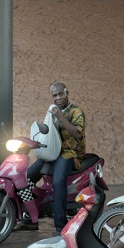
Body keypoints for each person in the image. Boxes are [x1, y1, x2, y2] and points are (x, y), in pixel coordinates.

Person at [24, 82, 86, 233]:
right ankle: (31, 217)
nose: (58, 98)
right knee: (27, 177)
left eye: (61, 94)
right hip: (52, 152)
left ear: (67, 93)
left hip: (69, 153)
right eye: (54, 95)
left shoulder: (76, 111)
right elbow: (48, 131)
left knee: (58, 181)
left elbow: (77, 134)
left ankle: (60, 225)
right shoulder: (51, 112)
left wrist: (61, 117)